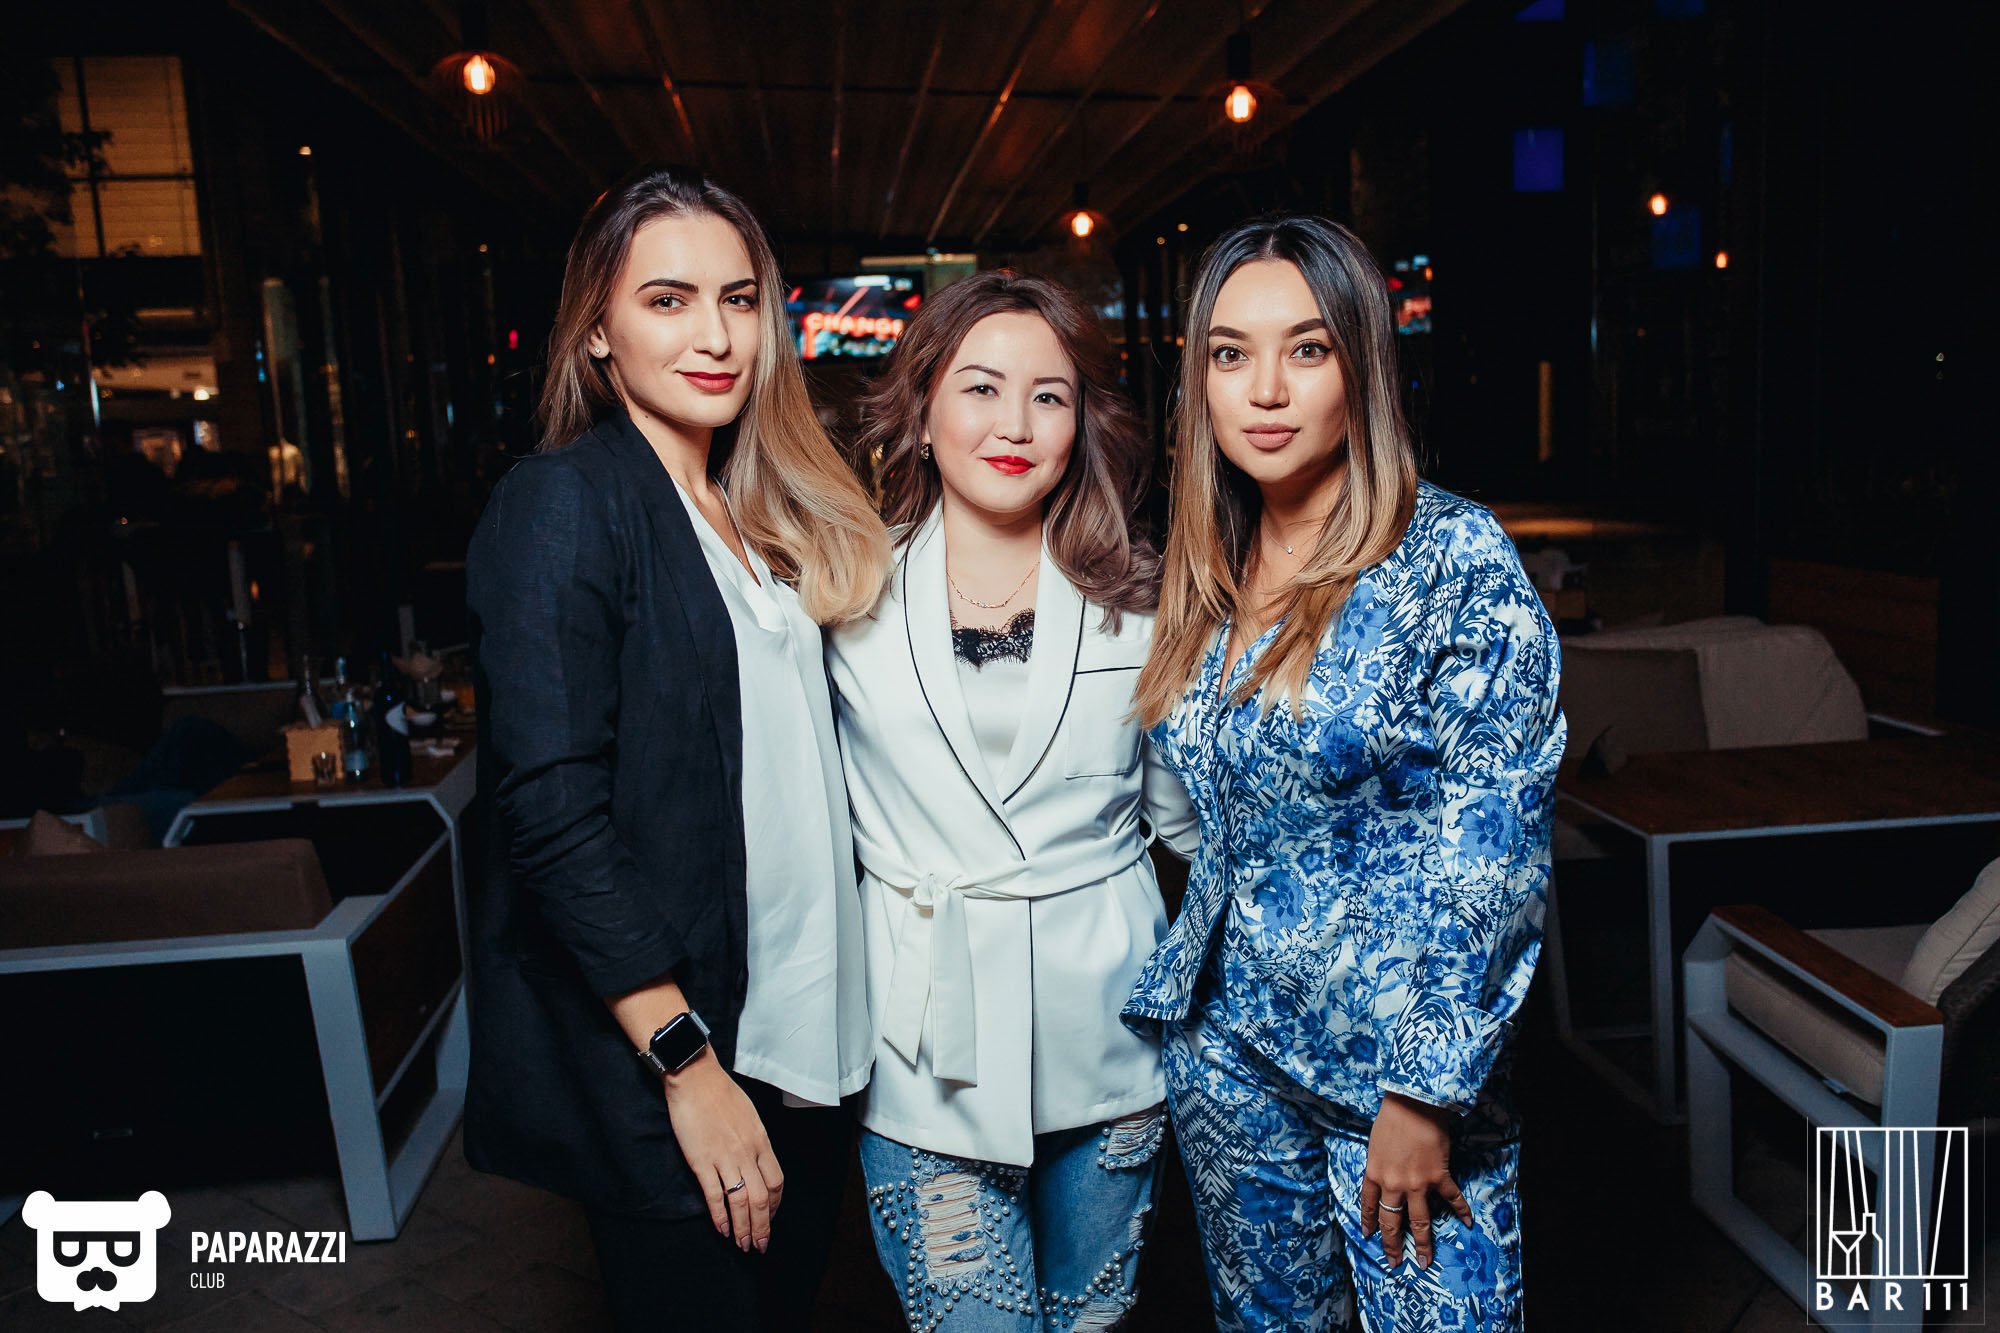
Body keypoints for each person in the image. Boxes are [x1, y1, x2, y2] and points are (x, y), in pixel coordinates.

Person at [464, 165, 890, 1331]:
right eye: (667, 300)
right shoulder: (564, 502)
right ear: (596, 329)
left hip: (803, 1045)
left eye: (738, 299)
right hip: (688, 1060)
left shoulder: (760, 513)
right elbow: (550, 813)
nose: (715, 335)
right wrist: (685, 1061)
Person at [1124, 214, 1565, 1332]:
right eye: (1230, 354)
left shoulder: (1450, 558)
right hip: (1229, 1061)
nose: (1265, 389)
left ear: (1360, 365)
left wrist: (1424, 1091)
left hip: (1401, 1083)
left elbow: (1496, 845)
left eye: (1307, 348)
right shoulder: (1206, 564)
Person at [826, 269, 1199, 1331]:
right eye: (981, 388)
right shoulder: (841, 592)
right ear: (921, 410)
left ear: (1082, 424)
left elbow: (1185, 819)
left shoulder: (1143, 598)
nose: (1015, 424)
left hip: (1110, 1039)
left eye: (1049, 395)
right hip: (921, 1052)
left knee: (1092, 1321)